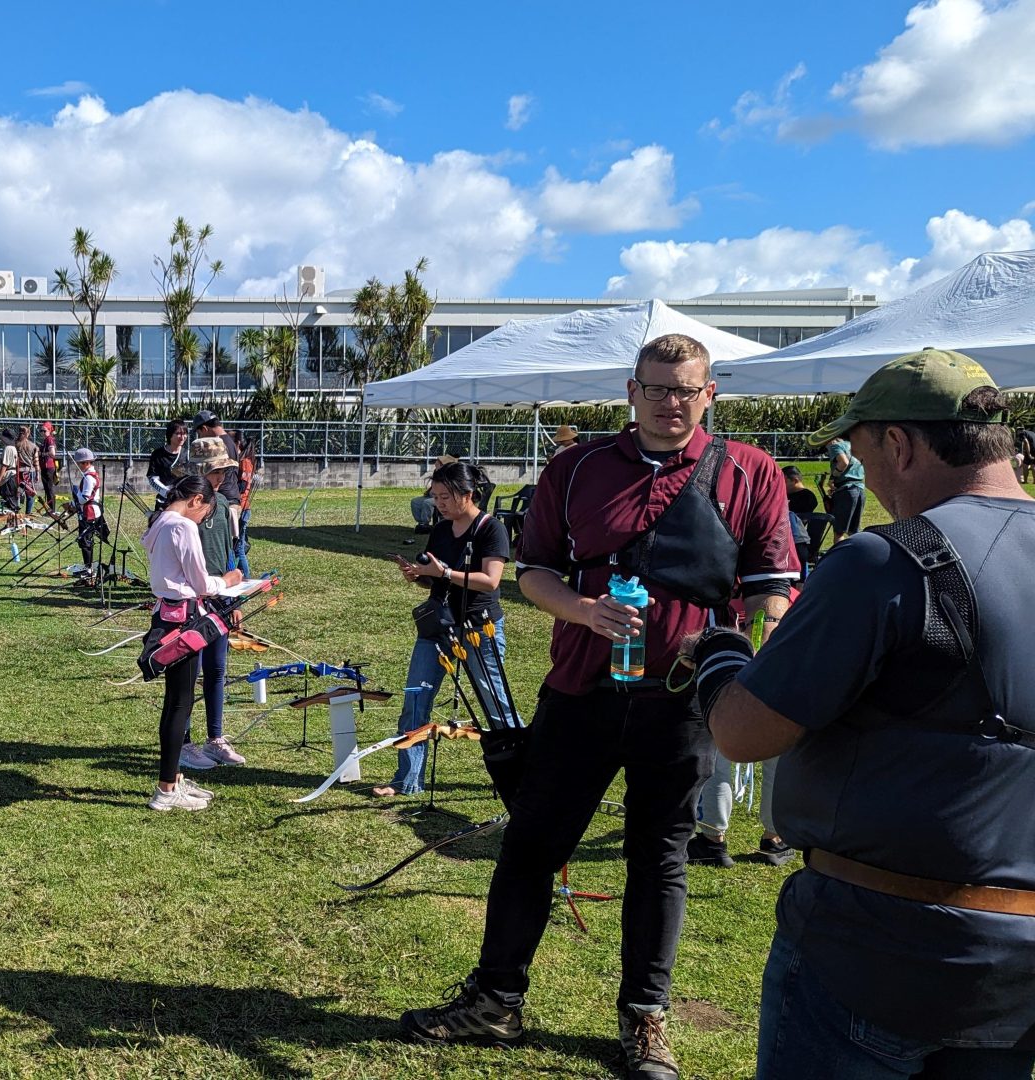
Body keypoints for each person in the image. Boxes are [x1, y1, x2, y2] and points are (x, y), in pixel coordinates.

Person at [398, 334, 799, 1080]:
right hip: (581, 690)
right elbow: (534, 573)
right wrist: (582, 611)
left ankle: (645, 1021)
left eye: (687, 389)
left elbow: (770, 585)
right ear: (631, 390)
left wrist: (747, 649)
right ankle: (495, 1000)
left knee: (661, 857)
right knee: (530, 848)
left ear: (711, 393)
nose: (671, 403)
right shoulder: (574, 467)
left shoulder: (751, 471)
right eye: (657, 388)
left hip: (682, 703)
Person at [699, 349, 1035, 1079]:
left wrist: (720, 658)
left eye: (856, 450)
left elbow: (744, 732)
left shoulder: (889, 561)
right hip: (1017, 975)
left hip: (875, 949)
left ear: (898, 443)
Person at [374, 460, 517, 797]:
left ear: (467, 494)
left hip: (477, 630)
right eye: (435, 496)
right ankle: (406, 780)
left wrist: (446, 574)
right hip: (436, 627)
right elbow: (434, 578)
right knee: (415, 698)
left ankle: (522, 773)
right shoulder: (440, 530)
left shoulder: (490, 529)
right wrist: (419, 576)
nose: (438, 503)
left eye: (444, 497)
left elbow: (490, 581)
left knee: (495, 703)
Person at [141, 474, 244, 812]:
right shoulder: (182, 526)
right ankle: (166, 788)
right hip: (184, 619)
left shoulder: (160, 521)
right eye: (204, 515)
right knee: (180, 705)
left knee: (176, 703)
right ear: (197, 500)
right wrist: (227, 580)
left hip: (167, 616)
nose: (202, 522)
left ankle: (171, 780)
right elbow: (200, 581)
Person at [174, 438, 248, 772]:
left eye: (223, 470)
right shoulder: (183, 508)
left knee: (217, 669)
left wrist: (234, 598)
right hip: (191, 600)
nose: (222, 477)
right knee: (190, 673)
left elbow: (232, 553)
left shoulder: (223, 505)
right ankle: (184, 742)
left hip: (220, 596)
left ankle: (215, 739)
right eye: (217, 470)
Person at [193, 410, 256, 574]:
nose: (200, 437)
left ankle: (238, 582)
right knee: (233, 548)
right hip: (230, 499)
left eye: (199, 432)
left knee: (230, 550)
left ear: (204, 428)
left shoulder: (219, 443)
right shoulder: (228, 439)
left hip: (225, 501)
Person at [825, 426, 866, 548]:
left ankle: (839, 560)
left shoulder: (835, 445)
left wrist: (833, 477)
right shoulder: (854, 446)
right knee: (854, 531)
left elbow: (843, 462)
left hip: (846, 490)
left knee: (839, 531)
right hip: (859, 489)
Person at [71, 447, 109, 580]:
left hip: (90, 512)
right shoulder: (90, 475)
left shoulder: (88, 478)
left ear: (86, 462)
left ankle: (89, 569)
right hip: (89, 511)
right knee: (85, 540)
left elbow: (85, 498)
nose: (78, 466)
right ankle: (89, 567)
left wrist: (76, 496)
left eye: (79, 463)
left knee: (85, 540)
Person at [147, 419, 187, 496]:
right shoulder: (157, 454)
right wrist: (166, 492)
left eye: (184, 433)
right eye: (178, 433)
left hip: (183, 499)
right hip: (164, 500)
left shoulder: (188, 454)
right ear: (170, 435)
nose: (182, 437)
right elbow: (152, 478)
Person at [14, 426, 41, 515]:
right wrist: (37, 473)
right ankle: (28, 514)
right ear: (28, 433)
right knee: (30, 494)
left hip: (18, 472)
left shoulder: (15, 444)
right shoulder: (33, 446)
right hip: (29, 472)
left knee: (17, 493)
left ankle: (16, 513)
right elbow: (36, 461)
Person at [38, 421, 60, 514]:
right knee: (47, 489)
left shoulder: (49, 439)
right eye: (41, 430)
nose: (42, 432)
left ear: (49, 430)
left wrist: (42, 454)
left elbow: (52, 453)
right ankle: (49, 509)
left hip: (48, 467)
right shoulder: (46, 439)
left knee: (49, 488)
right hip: (44, 467)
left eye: (44, 430)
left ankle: (52, 510)